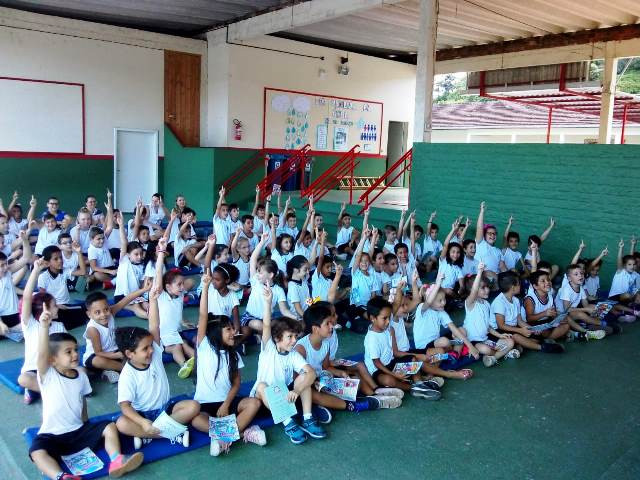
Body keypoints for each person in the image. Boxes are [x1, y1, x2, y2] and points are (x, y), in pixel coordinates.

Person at [29, 307, 143, 480]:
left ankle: (116, 460)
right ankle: (61, 476)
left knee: (109, 427)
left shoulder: (81, 375)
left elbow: (81, 401)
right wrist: (44, 327)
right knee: (37, 451)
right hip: (53, 435)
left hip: (78, 431)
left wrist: (86, 424)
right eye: (68, 352)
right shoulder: (47, 375)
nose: (75, 354)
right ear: (52, 359)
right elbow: (42, 355)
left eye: (76, 349)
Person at [114, 286, 201, 450]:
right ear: (130, 354)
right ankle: (171, 432)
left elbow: (154, 325)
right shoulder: (127, 375)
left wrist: (153, 300)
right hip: (143, 415)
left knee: (193, 406)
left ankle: (146, 435)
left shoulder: (154, 353)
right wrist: (142, 422)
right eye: (145, 349)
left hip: (166, 409)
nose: (151, 350)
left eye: (150, 346)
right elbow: (125, 406)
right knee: (121, 423)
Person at [194, 271, 266, 456]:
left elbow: (236, 383)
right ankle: (241, 433)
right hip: (205, 404)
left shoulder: (233, 354)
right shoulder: (204, 346)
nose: (234, 332)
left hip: (228, 402)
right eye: (228, 329)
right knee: (195, 419)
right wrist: (205, 287)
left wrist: (226, 404)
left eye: (232, 328)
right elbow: (202, 315)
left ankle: (223, 437)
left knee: (253, 404)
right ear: (216, 333)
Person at [250, 284, 327, 445]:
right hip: (265, 401)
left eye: (295, 337)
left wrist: (297, 390)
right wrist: (268, 302)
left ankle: (307, 418)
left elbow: (311, 373)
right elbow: (266, 325)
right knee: (262, 386)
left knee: (305, 376)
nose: (294, 341)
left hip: (285, 396)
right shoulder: (268, 348)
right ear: (277, 338)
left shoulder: (293, 355)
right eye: (290, 337)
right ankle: (288, 423)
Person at [295, 304, 402, 413]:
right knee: (314, 395)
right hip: (305, 385)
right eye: (327, 323)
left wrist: (341, 373)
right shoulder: (301, 348)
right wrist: (314, 382)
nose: (331, 326)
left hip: (321, 380)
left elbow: (326, 367)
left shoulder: (325, 342)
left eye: (331, 322)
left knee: (355, 381)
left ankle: (373, 396)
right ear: (315, 329)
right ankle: (355, 405)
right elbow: (297, 379)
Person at [364, 296, 442, 399]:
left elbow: (395, 352)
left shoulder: (387, 329)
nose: (388, 321)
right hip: (378, 370)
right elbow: (377, 363)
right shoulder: (372, 338)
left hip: (391, 363)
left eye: (389, 318)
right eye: (384, 318)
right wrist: (394, 374)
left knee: (413, 360)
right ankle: (414, 388)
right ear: (372, 318)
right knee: (389, 380)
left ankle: (419, 384)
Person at [410, 272, 476, 380]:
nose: (444, 303)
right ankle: (432, 373)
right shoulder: (422, 308)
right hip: (425, 348)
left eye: (444, 299)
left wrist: (470, 346)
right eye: (440, 301)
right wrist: (438, 283)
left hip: (437, 343)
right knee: (444, 343)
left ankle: (455, 354)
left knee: (462, 331)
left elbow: (453, 328)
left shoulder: (441, 312)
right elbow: (428, 301)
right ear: (430, 300)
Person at [19, 259, 68, 404]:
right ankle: (51, 390)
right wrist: (35, 270)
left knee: (80, 372)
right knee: (23, 379)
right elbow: (26, 298)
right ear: (44, 309)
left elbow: (65, 348)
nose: (58, 307)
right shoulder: (30, 325)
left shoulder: (59, 326)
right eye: (54, 306)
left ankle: (38, 390)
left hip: (54, 368)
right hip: (33, 370)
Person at [82, 286, 151, 383]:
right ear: (89, 314)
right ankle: (127, 369)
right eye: (97, 312)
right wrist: (116, 356)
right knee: (98, 361)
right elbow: (98, 352)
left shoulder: (111, 312)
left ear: (109, 307)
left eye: (106, 309)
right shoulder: (93, 329)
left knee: (135, 346)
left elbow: (126, 299)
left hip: (114, 351)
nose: (103, 314)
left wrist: (143, 290)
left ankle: (107, 372)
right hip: (97, 356)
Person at [492, 271, 565, 353]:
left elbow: (519, 321)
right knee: (516, 336)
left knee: (534, 335)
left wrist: (532, 329)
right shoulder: (499, 302)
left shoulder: (516, 300)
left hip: (514, 328)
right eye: (519, 284)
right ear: (513, 288)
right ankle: (542, 347)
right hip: (499, 331)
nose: (520, 286)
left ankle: (520, 346)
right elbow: (501, 325)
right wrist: (520, 330)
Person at [461, 264, 518, 367]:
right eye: (483, 288)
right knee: (486, 349)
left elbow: (488, 326)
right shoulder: (470, 303)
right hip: (474, 341)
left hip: (485, 339)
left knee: (510, 342)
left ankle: (493, 358)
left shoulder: (487, 304)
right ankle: (502, 354)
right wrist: (479, 272)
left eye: (487, 287)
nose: (487, 290)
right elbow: (474, 290)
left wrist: (500, 335)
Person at [240, 233, 297, 337]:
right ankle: (261, 334)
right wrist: (262, 242)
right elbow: (253, 260)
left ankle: (259, 336)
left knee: (280, 325)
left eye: (260, 272)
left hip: (268, 319)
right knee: (260, 325)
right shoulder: (256, 281)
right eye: (257, 271)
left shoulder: (278, 290)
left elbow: (284, 310)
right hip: (250, 317)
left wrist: (295, 317)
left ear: (271, 275)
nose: (257, 274)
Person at [153, 239, 196, 378]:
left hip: (176, 332)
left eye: (183, 284)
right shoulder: (162, 296)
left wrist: (183, 321)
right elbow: (158, 272)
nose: (183, 287)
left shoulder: (180, 294)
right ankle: (184, 365)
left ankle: (200, 362)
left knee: (185, 344)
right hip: (163, 336)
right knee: (177, 347)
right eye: (179, 284)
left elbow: (191, 282)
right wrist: (161, 252)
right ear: (167, 287)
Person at [37, 246, 88, 330]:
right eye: (56, 259)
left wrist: (79, 252)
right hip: (53, 308)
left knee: (88, 308)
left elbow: (83, 272)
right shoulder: (43, 277)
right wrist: (56, 305)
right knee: (67, 317)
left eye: (61, 257)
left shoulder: (65, 271)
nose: (60, 260)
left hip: (66, 306)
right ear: (47, 263)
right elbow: (42, 298)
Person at [555, 264, 610, 337]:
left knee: (595, 306)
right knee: (580, 314)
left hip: (571, 313)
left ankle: (594, 324)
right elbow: (567, 309)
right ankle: (596, 326)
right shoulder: (566, 290)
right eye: (576, 274)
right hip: (561, 314)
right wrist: (586, 309)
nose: (580, 275)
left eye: (581, 273)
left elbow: (586, 305)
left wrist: (595, 308)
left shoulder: (581, 288)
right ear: (569, 278)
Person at [522, 270, 571, 343]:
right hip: (532, 324)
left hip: (546, 322)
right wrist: (544, 314)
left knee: (565, 325)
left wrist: (558, 318)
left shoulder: (549, 294)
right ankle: (547, 339)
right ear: (535, 286)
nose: (547, 282)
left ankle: (546, 340)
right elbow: (529, 318)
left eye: (548, 280)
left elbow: (553, 313)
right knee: (544, 331)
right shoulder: (530, 299)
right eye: (543, 281)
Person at [0, 231, 32, 341]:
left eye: (5, 264)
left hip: (14, 315)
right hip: (2, 318)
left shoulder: (7, 273)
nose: (5, 268)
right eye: (1, 266)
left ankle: (9, 331)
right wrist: (1, 324)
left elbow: (26, 258)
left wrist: (25, 240)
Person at [474, 202, 502, 287]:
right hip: (482, 278)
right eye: (489, 233)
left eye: (494, 233)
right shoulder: (480, 243)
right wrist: (482, 211)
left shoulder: (498, 251)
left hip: (496, 279)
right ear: (484, 235)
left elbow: (502, 267)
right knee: (488, 272)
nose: (492, 235)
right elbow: (479, 227)